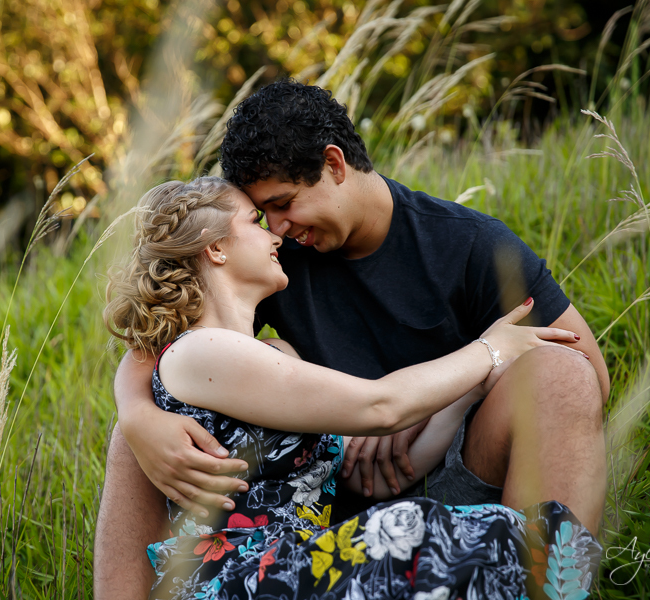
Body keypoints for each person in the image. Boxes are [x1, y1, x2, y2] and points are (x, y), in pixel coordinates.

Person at [94, 81, 608, 599]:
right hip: (313, 535)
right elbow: (158, 349)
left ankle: (544, 586)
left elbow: (585, 371)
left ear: (335, 165)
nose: (276, 229)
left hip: (439, 475)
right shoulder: (278, 257)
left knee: (561, 377)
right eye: (259, 215)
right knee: (134, 436)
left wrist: (471, 383)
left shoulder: (467, 243)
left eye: (282, 204)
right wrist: (136, 415)